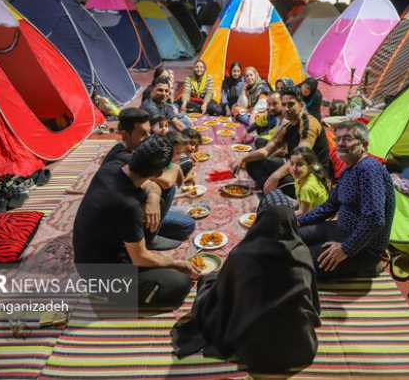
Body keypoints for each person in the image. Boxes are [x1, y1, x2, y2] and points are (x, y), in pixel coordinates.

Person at [171, 190, 321, 373]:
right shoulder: (302, 254)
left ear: (259, 220)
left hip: (252, 349)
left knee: (209, 280)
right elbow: (312, 301)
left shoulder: (241, 255)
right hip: (299, 348)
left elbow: (221, 297)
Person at [73, 136, 199, 308]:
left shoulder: (114, 164)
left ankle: (146, 241)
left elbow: (153, 185)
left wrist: (153, 198)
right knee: (181, 281)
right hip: (101, 275)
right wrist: (176, 262)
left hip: (107, 244)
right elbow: (140, 258)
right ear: (158, 173)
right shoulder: (128, 206)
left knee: (184, 224)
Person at [297, 121, 395, 279]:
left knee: (298, 263)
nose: (340, 144)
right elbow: (329, 207)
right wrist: (299, 220)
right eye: (338, 139)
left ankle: (366, 267)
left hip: (363, 248)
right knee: (291, 235)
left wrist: (345, 249)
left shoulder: (369, 169)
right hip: (340, 229)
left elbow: (375, 219)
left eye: (347, 139)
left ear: (364, 144)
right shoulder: (348, 169)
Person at [103, 108, 195, 248]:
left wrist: (154, 195)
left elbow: (153, 181)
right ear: (124, 135)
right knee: (186, 224)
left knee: (187, 224)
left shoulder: (134, 150)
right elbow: (167, 182)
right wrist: (173, 169)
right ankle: (148, 239)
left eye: (149, 132)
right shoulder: (123, 158)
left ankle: (155, 227)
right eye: (142, 134)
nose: (148, 137)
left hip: (138, 208)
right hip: (125, 221)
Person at [233, 88, 331, 199]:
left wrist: (274, 177)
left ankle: (281, 197)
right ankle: (273, 193)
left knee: (280, 179)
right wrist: (243, 159)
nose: (287, 109)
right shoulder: (288, 125)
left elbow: (300, 156)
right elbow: (266, 150)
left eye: (291, 104)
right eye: (284, 105)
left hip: (314, 176)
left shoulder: (309, 123)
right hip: (296, 169)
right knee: (253, 163)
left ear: (301, 104)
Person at [289, 147, 329, 215]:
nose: (294, 168)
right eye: (292, 163)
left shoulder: (307, 188)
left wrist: (285, 214)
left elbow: (303, 213)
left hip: (316, 220)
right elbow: (299, 201)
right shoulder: (301, 177)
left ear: (310, 167)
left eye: (300, 165)